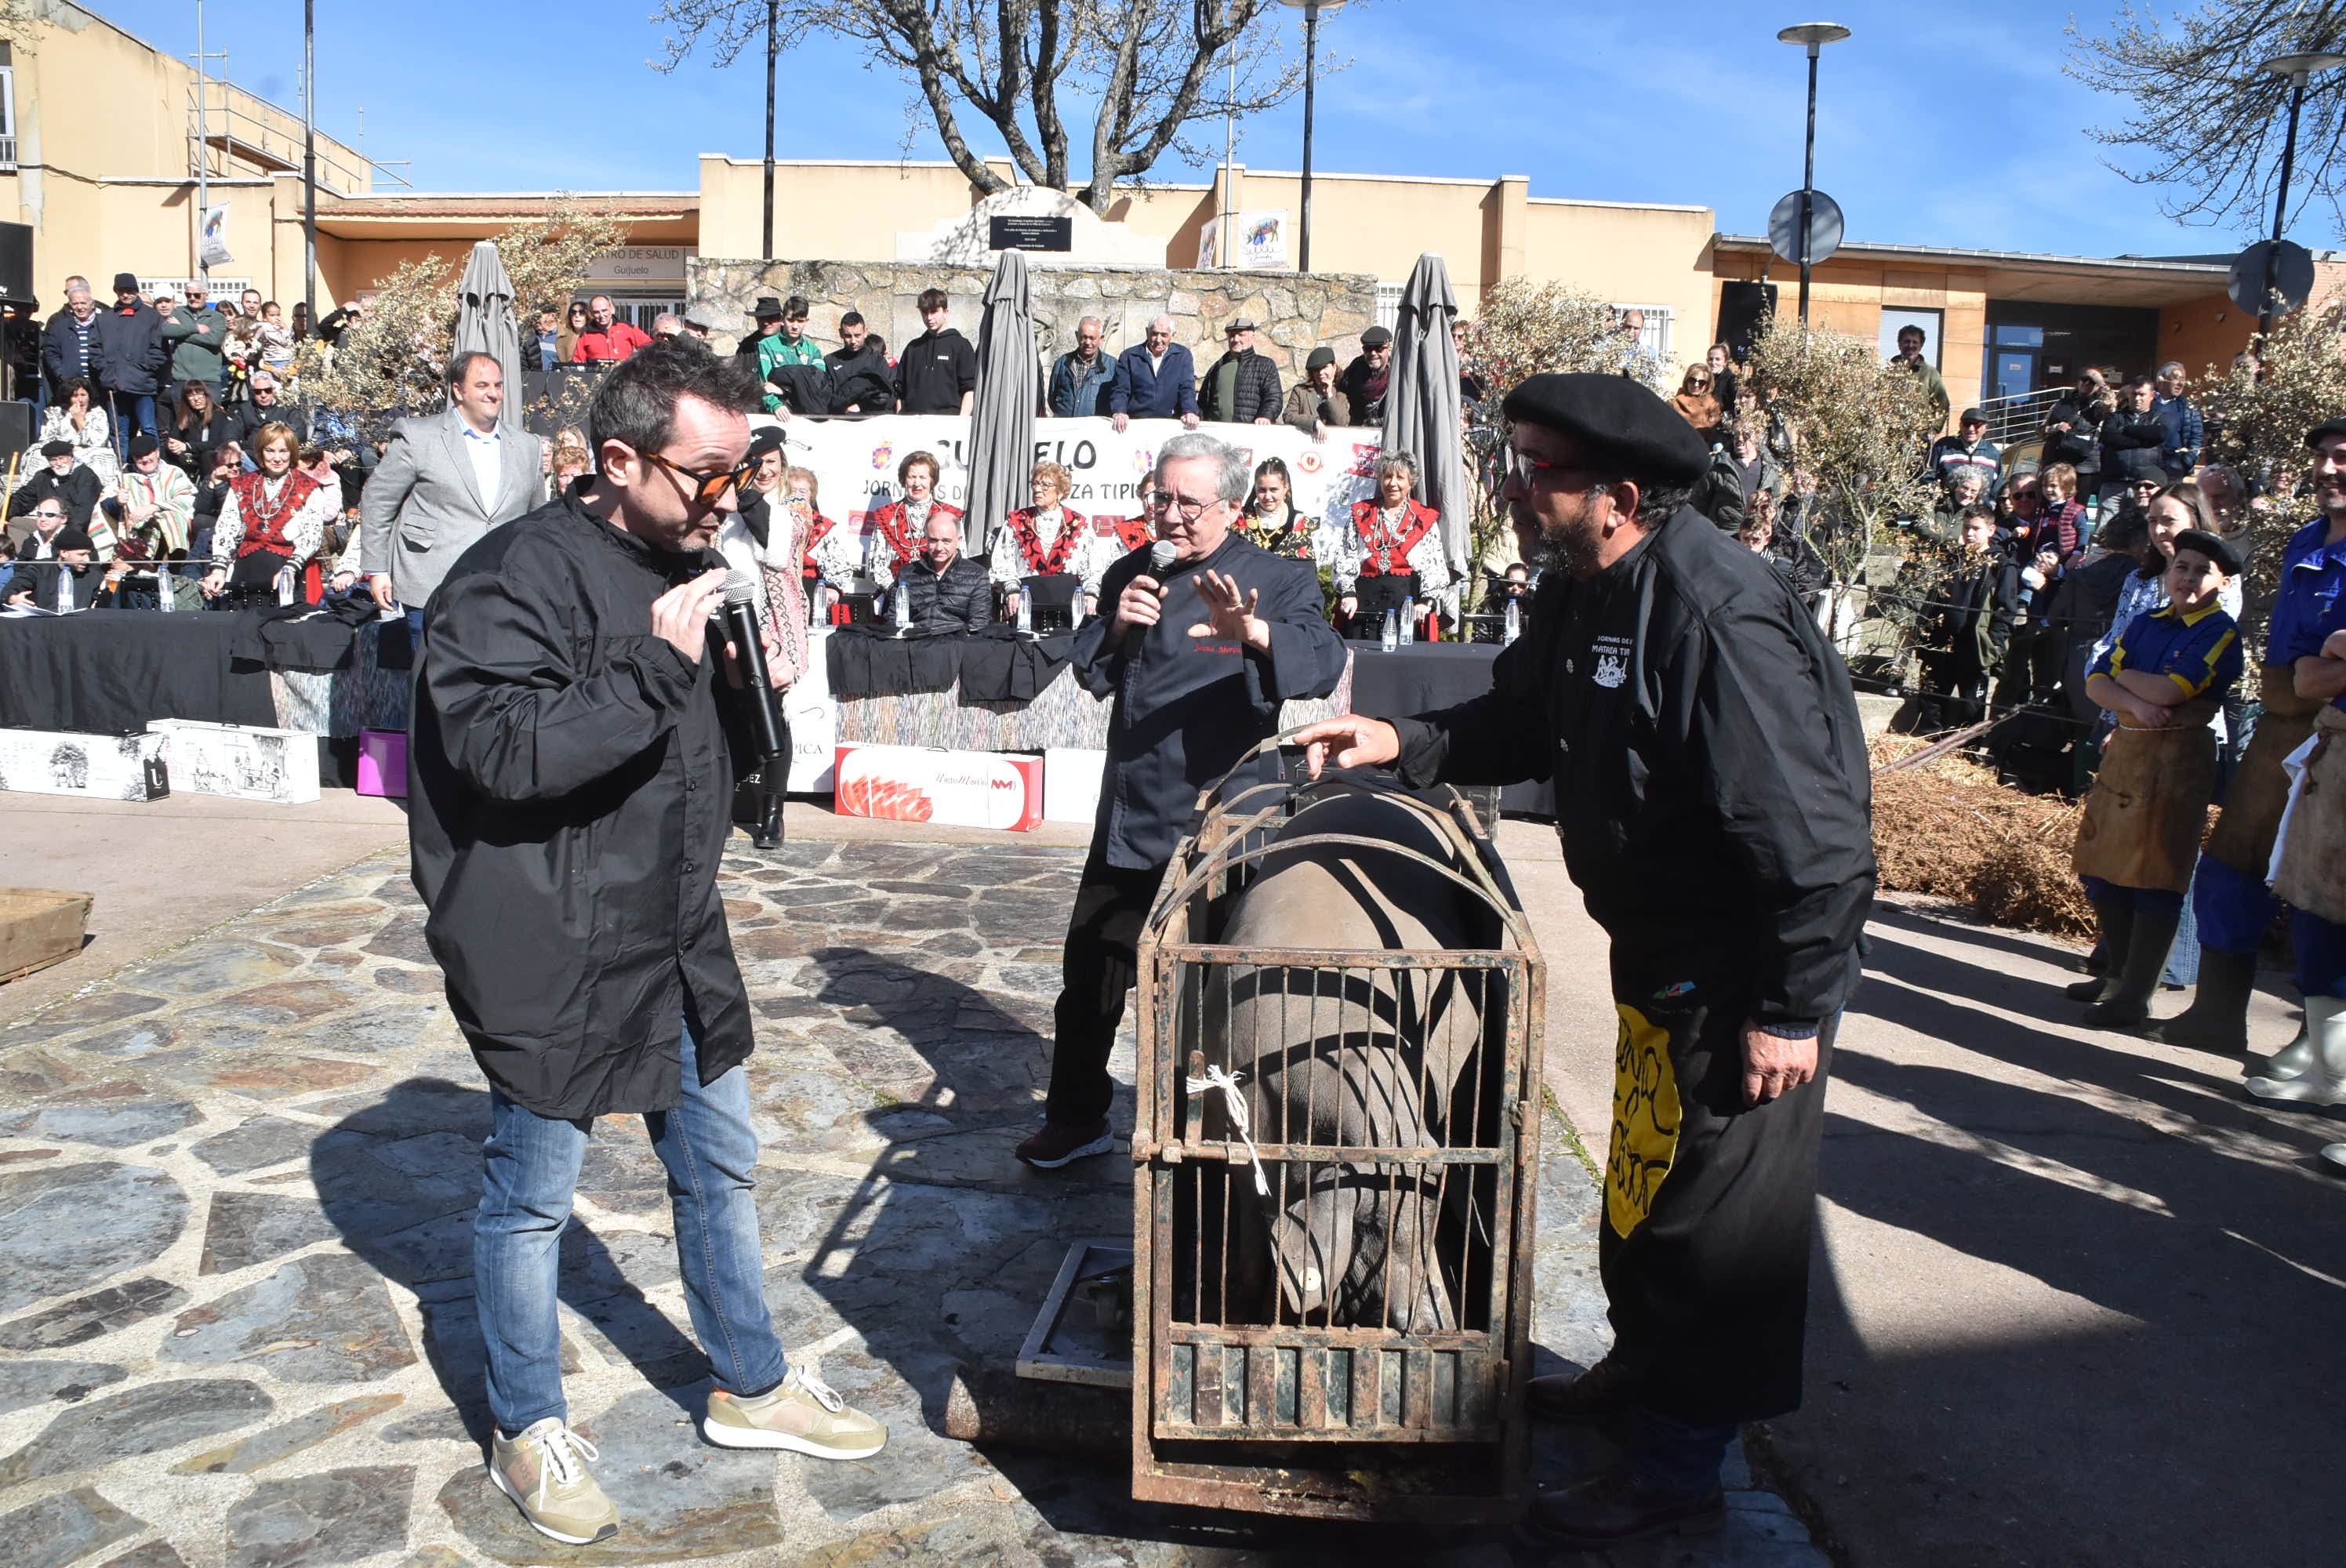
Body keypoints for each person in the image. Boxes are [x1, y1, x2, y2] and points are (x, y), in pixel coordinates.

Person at [1290, 371, 1874, 1549]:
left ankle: (1675, 1473)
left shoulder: (1716, 611)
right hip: (1658, 960)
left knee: (1717, 1231)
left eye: (1534, 472)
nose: (1511, 488)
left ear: (1617, 494)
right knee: (1645, 1191)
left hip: (1744, 976)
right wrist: (1398, 737)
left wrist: (1793, 1009)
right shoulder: (1578, 591)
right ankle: (1639, 1377)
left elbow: (1815, 844)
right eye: (1512, 464)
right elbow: (1517, 720)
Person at [408, 342, 886, 1545]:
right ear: (619, 461)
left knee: (718, 1163)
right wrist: (657, 662)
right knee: (533, 1198)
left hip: (671, 925)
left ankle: (751, 1383)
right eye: (708, 476)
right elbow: (507, 755)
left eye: (742, 472)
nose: (729, 500)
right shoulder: (507, 578)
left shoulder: (693, 552)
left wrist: (749, 697)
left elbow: (693, 748)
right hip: (553, 936)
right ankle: (529, 1425)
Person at [1017, 431, 1346, 1169]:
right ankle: (1077, 1116)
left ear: (1231, 506)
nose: (1167, 515)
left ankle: (1208, 1130)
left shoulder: (1279, 575)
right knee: (1094, 972)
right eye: (1158, 497)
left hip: (1226, 819)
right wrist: (1118, 625)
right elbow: (1092, 670)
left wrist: (1250, 631)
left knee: (1215, 989)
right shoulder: (1133, 571)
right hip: (1133, 807)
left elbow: (1324, 660)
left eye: (1186, 503)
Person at [2158, 420, 2346, 1054]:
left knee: (2329, 885)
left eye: (2342, 458)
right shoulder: (2306, 541)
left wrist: (2322, 676)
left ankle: (2320, 1048)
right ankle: (2216, 1011)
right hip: (2278, 726)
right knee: (2232, 864)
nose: (2327, 470)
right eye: (2321, 457)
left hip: (2338, 732)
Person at [2071, 526, 2245, 1029]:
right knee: (2101, 868)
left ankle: (2136, 995)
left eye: (2201, 571)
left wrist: (2124, 683)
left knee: (2155, 877)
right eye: (2181, 567)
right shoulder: (2148, 621)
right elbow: (2095, 681)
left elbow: (2174, 691)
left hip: (2178, 763)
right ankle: (2116, 977)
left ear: (2224, 583)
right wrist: (2134, 700)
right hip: (2127, 751)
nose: (2187, 578)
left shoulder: (2219, 632)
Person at [360, 353, 547, 633]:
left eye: (498, 386)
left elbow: (538, 522)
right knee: (431, 676)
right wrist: (377, 571)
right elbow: (378, 501)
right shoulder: (418, 436)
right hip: (431, 586)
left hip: (505, 591)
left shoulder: (527, 446)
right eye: (482, 385)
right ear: (458, 390)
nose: (493, 394)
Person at [201, 419, 340, 608]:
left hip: (289, 572)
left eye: (283, 451)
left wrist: (290, 568)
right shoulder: (243, 485)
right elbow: (227, 527)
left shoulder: (308, 487)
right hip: (247, 571)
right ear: (260, 452)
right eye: (270, 450)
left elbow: (312, 535)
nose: (277, 458)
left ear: (292, 453)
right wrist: (219, 569)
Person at [1332, 450, 1452, 638]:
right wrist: (1348, 593)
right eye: (1388, 476)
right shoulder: (1362, 514)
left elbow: (1434, 567)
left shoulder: (1423, 519)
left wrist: (1426, 600)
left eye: (1400, 477)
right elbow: (1346, 556)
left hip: (1408, 608)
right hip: (1363, 605)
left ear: (1411, 482)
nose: (1393, 483)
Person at [1919, 505, 2017, 722]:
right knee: (1930, 702)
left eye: (1976, 528)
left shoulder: (2001, 566)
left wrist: (1992, 645)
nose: (1969, 533)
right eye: (1966, 528)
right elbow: (1933, 599)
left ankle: (1968, 752)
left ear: (1991, 530)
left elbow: (2006, 611)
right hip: (1941, 643)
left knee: (1971, 709)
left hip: (1974, 647)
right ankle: (1927, 745)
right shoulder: (1952, 560)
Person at [994, 459, 1103, 619]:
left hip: (1068, 605)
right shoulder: (1016, 520)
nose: (1038, 489)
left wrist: (1090, 594)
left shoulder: (1078, 523)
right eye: (1035, 483)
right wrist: (1012, 590)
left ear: (1060, 491)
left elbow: (1093, 566)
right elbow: (1003, 562)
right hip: (1025, 602)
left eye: (1046, 485)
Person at [847, 450, 961, 586]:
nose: (917, 483)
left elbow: (959, 563)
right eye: (912, 477)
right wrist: (898, 593)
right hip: (897, 594)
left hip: (941, 596)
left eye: (923, 477)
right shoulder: (886, 516)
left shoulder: (950, 515)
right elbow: (877, 568)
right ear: (903, 480)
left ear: (932, 480)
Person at [95, 274, 169, 455]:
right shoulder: (105, 318)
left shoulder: (152, 317)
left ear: (136, 291)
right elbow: (95, 348)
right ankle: (123, 467)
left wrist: (143, 368)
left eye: (129, 291)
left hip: (142, 384)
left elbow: (159, 350)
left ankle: (152, 465)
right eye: (121, 291)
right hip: (115, 384)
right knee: (118, 432)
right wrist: (105, 369)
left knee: (148, 428)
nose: (126, 295)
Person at [106, 433, 196, 562]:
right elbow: (105, 503)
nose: (144, 459)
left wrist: (152, 508)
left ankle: (174, 563)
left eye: (148, 454)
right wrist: (116, 501)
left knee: (170, 517)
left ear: (157, 452)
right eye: (139, 457)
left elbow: (186, 499)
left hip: (168, 529)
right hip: (134, 529)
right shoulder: (124, 476)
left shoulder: (173, 472)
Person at [736, 295, 826, 416]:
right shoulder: (760, 345)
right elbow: (763, 384)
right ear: (784, 319)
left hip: (806, 411)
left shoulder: (813, 350)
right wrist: (775, 404)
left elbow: (819, 385)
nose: (795, 326)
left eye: (800, 321)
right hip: (769, 410)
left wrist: (784, 390)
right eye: (791, 320)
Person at [900, 512, 990, 631]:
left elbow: (979, 623)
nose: (939, 548)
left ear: (959, 540)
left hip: (957, 645)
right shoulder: (908, 574)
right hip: (915, 643)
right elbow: (895, 619)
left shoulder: (978, 575)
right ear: (925, 539)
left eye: (946, 541)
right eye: (933, 540)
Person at [893, 287, 977, 416]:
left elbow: (970, 388)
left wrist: (961, 422)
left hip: (948, 422)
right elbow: (900, 390)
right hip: (911, 423)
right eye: (925, 313)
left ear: (946, 312)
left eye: (934, 312)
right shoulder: (912, 348)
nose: (929, 317)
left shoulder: (961, 346)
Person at [1108, 314, 1198, 433]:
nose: (1158, 339)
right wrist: (1119, 412)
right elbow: (1121, 390)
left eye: (1164, 335)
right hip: (1137, 424)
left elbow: (1187, 388)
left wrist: (1190, 411)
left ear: (1172, 335)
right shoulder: (1129, 356)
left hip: (1170, 423)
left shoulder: (1183, 356)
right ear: (1147, 332)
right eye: (1154, 334)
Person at [2041, 370, 2112, 510]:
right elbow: (2041, 430)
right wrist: (2057, 427)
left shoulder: (2101, 406)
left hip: (2084, 467)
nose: (2086, 383)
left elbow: (2112, 408)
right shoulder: (2062, 403)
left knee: (2077, 510)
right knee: (2050, 509)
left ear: (2098, 386)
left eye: (2092, 381)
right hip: (2056, 462)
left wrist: (2103, 386)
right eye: (2083, 379)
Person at [40, 377, 119, 499]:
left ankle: (98, 497)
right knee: (35, 452)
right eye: (75, 396)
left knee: (100, 456)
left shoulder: (98, 413)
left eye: (83, 395)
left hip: (91, 452)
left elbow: (98, 441)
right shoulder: (57, 413)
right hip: (62, 453)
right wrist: (69, 448)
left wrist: (79, 419)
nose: (80, 400)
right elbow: (47, 439)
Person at [2, 526, 114, 612]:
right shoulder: (39, 569)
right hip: (41, 628)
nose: (87, 560)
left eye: (88, 554)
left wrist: (108, 591)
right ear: (64, 553)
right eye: (81, 555)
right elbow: (8, 590)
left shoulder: (93, 575)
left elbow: (101, 606)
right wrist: (13, 598)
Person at [1196, 318, 1282, 425]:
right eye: (1231, 335)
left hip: (1249, 434)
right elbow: (1203, 403)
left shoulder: (1265, 366)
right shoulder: (1217, 368)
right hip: (1216, 434)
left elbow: (1274, 398)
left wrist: (1265, 416)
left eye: (1241, 335)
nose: (1235, 339)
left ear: (1252, 337)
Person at [1233, 457, 1320, 562]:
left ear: (1285, 488)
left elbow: (1305, 571)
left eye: (1274, 490)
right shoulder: (1240, 518)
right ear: (1255, 489)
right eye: (1262, 490)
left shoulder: (1298, 522)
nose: (1268, 496)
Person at [2100, 377, 2170, 504]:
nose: (2137, 399)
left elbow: (2159, 434)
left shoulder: (2159, 418)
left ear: (2152, 396)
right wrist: (2143, 442)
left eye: (2142, 394)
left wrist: (2128, 429)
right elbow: (2109, 437)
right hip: (2113, 484)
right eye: (2134, 394)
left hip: (2145, 486)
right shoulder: (2115, 417)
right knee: (2106, 524)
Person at [9, 439, 104, 533]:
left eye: (62, 458)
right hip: (46, 524)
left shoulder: (86, 476)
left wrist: (69, 537)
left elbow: (83, 512)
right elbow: (23, 500)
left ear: (71, 457)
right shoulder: (43, 476)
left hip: (71, 528)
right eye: (53, 460)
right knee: (13, 523)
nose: (58, 464)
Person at [160, 285, 229, 398]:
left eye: (197, 295)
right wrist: (195, 328)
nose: (192, 298)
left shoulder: (217, 318)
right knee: (182, 416)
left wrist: (180, 332)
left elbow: (214, 340)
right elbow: (166, 331)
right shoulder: (178, 312)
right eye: (188, 295)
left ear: (206, 296)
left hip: (209, 380)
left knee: (210, 416)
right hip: (181, 379)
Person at [42, 286, 102, 410]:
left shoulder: (103, 325)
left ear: (92, 304)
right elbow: (51, 353)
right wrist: (62, 375)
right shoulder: (60, 327)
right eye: (75, 303)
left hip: (98, 386)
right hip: (70, 388)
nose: (80, 307)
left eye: (83, 303)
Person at [165, 378, 238, 479]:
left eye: (200, 394)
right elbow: (173, 437)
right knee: (165, 450)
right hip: (192, 454)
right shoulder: (185, 415)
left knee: (206, 455)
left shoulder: (217, 413)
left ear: (206, 395)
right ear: (186, 399)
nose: (196, 399)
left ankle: (208, 485)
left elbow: (215, 444)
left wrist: (187, 446)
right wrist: (172, 445)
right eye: (191, 395)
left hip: (212, 454)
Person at [1048, 315, 1116, 418]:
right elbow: (1052, 398)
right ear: (1076, 336)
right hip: (1065, 429)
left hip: (1095, 430)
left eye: (1092, 338)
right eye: (1083, 337)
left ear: (1101, 339)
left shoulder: (1112, 366)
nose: (1087, 342)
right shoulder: (1062, 363)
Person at [823, 312, 892, 414]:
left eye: (857, 335)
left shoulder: (876, 359)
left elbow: (887, 393)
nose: (853, 341)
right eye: (848, 336)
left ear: (865, 332)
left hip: (869, 418)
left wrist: (862, 406)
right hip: (839, 419)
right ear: (840, 333)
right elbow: (826, 396)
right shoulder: (830, 361)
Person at [1282, 345, 1353, 440]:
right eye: (1316, 370)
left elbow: (1342, 422)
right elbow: (1288, 416)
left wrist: (1329, 395)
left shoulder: (1341, 396)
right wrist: (1314, 422)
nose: (1320, 373)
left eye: (1324, 367)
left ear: (1334, 367)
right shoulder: (1300, 391)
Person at [1888, 323, 1950, 428]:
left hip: (1919, 435)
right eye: (1907, 341)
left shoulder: (1930, 373)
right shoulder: (1888, 371)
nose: (1910, 346)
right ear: (1899, 345)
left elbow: (1943, 404)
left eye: (1915, 342)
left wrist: (1933, 429)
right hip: (1891, 434)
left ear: (1921, 346)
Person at [2152, 361, 2203, 481]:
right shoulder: (2148, 401)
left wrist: (2187, 460)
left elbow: (2197, 437)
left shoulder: (2188, 407)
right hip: (2148, 466)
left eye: (2183, 379)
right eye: (2176, 378)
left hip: (2175, 468)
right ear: (2161, 379)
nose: (2181, 383)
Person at [1337, 324, 1395, 426]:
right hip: (1360, 428)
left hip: (1388, 428)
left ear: (1389, 351)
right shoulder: (1355, 368)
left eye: (1378, 349)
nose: (1373, 353)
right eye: (1368, 349)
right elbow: (1341, 390)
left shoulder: (1397, 371)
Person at [1929, 408, 2000, 488]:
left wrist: (1990, 501)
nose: (1971, 429)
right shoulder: (1942, 447)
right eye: (1967, 424)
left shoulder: (1993, 453)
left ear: (1985, 428)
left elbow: (1997, 487)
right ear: (1960, 425)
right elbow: (1927, 477)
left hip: (1981, 501)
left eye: (1977, 425)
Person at [572, 296, 651, 364]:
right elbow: (578, 363)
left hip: (623, 375)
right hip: (596, 377)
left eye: (604, 310)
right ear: (591, 314)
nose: (601, 315)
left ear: (612, 309)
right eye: (596, 312)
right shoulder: (585, 333)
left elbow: (650, 349)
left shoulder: (627, 328)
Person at [1669, 365, 1721, 440]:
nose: (1696, 385)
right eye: (1692, 380)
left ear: (1707, 385)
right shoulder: (1673, 404)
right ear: (1687, 381)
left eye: (1702, 382)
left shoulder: (1713, 406)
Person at [252, 301, 297, 378]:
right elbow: (282, 342)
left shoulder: (280, 328)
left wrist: (285, 329)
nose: (277, 318)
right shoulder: (266, 328)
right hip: (275, 360)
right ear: (264, 317)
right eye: (272, 315)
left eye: (278, 314)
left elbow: (289, 341)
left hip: (286, 359)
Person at [1704, 343, 1739, 424]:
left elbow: (1734, 406)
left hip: (1720, 425)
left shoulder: (1731, 379)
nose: (1713, 362)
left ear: (1725, 361)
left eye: (1718, 359)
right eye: (1711, 359)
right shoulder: (1705, 377)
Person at [521, 307, 562, 372]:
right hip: (532, 378)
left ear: (552, 315)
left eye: (538, 315)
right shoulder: (529, 336)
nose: (534, 318)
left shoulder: (563, 337)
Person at [558, 300, 589, 365]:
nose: (577, 315)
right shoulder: (562, 338)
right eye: (573, 312)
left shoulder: (593, 336)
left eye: (582, 312)